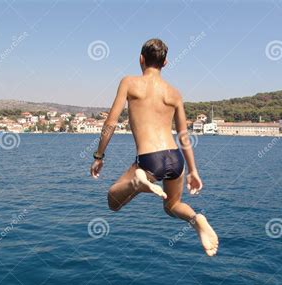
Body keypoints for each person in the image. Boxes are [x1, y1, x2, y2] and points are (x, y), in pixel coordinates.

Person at [90, 38, 218, 256]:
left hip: (149, 159)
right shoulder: (174, 93)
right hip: (175, 158)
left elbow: (110, 122)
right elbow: (184, 135)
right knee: (172, 206)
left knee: (113, 202)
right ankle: (196, 219)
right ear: (165, 63)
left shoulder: (129, 83)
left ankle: (136, 183)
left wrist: (99, 155)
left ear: (141, 59)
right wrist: (194, 170)